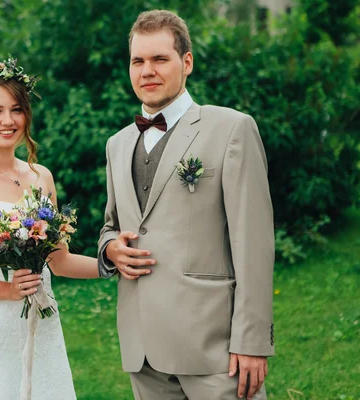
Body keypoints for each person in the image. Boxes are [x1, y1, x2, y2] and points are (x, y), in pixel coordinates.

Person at [98, 10, 275, 400]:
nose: (147, 71)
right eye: (138, 61)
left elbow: (255, 243)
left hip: (214, 347)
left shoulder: (231, 128)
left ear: (187, 62)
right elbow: (111, 225)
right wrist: (110, 248)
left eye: (160, 59)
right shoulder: (117, 144)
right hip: (142, 348)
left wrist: (253, 340)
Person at [0, 58, 99, 400]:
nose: (8, 121)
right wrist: (8, 291)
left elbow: (60, 261)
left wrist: (112, 264)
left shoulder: (42, 177)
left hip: (44, 325)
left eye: (16, 110)